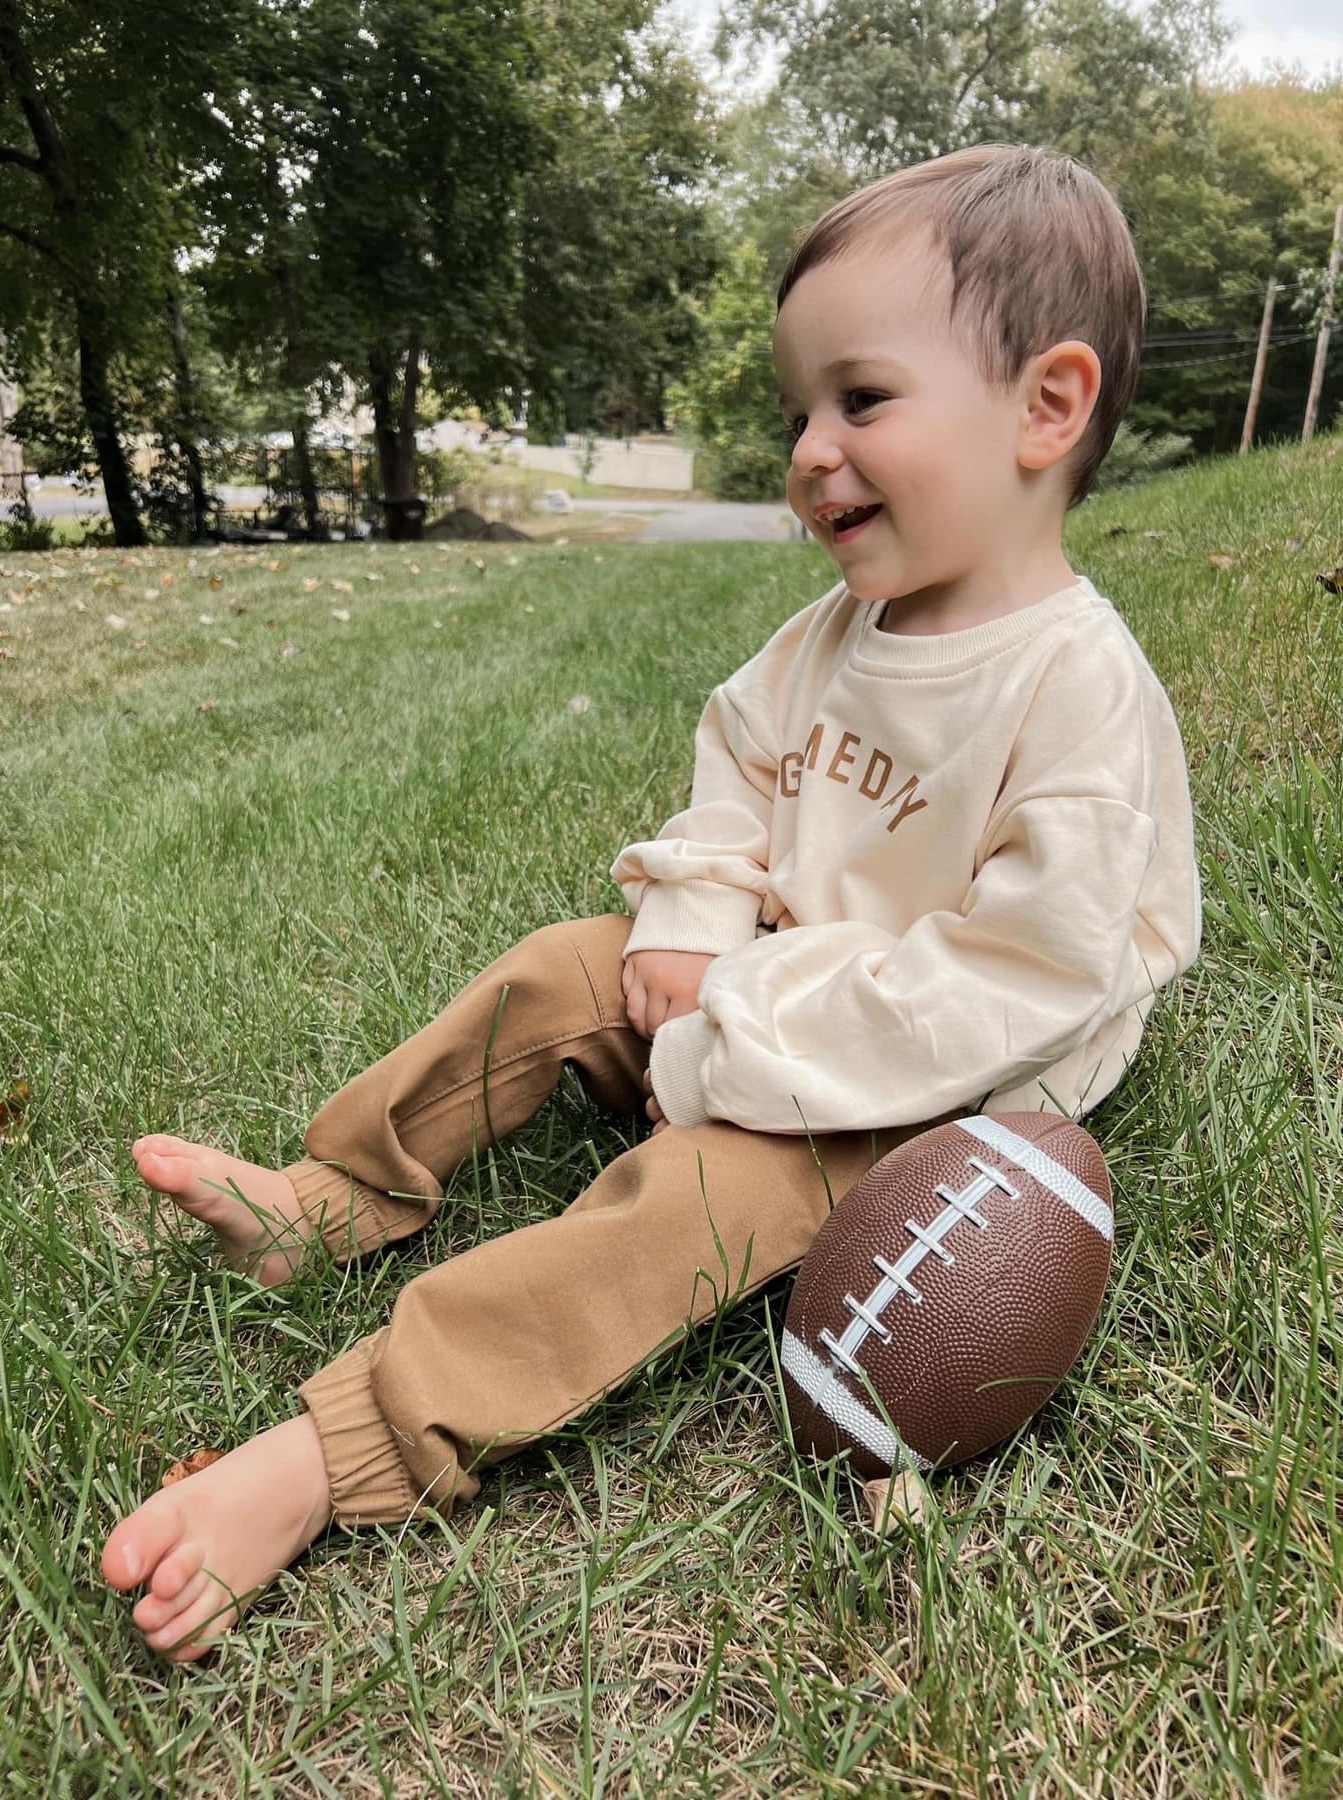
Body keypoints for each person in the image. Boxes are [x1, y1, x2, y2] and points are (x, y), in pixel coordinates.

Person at [102, 142, 1203, 1661]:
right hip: (750, 996)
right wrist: (688, 930)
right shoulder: (834, 633)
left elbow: (1018, 975)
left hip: (905, 1097)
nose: (810, 450)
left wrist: (730, 1029)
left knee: (670, 1208)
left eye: (860, 400)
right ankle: (336, 1192)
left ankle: (339, 1448)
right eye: (797, 413)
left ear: (1044, 406)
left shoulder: (1070, 686)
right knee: (562, 967)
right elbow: (734, 776)